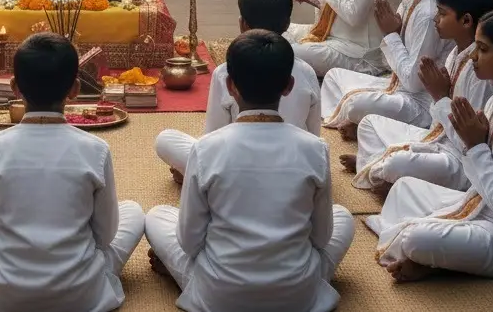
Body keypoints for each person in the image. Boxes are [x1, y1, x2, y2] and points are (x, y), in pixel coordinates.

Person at [145, 30, 354, 312]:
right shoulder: (315, 148)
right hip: (296, 295)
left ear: (230, 85)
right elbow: (320, 238)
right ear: (289, 86)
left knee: (157, 215)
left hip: (220, 294)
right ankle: (301, 286)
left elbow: (189, 241)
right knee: (343, 217)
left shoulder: (206, 148)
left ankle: (192, 279)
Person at [0, 33, 144, 312]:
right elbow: (105, 236)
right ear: (74, 89)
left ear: (14, 87)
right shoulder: (96, 149)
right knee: (133, 211)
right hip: (80, 292)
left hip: (4, 292)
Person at [371, 8, 493, 286]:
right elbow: (478, 174)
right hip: (483, 206)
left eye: (483, 49)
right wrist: (473, 146)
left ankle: (439, 261)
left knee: (415, 238)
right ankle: (442, 258)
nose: (473, 56)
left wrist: (475, 146)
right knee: (404, 189)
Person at [154, 0, 321, 182]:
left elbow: (212, 139)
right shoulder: (306, 71)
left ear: (243, 24)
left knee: (166, 139)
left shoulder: (225, 72)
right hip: (294, 167)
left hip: (235, 169)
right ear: (287, 24)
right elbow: (313, 137)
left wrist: (194, 169)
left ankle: (198, 176)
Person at [344, 0, 493, 193]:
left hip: (458, 160)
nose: (435, 18)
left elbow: (467, 143)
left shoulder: (479, 73)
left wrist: (440, 97)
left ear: (466, 21)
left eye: (442, 14)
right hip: (435, 138)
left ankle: (379, 169)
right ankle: (377, 169)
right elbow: (436, 124)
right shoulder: (455, 53)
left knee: (396, 163)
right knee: (368, 124)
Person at [321, 0, 448, 139]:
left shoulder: (427, 15)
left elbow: (414, 83)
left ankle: (361, 122)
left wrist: (391, 35)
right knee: (334, 76)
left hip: (418, 103)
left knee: (355, 103)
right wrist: (393, 34)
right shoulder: (408, 2)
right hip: (394, 84)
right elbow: (388, 63)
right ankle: (359, 122)